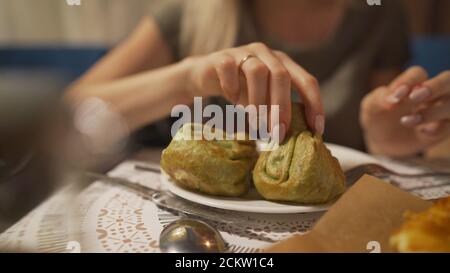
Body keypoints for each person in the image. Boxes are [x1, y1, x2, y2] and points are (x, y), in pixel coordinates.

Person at [66, 0, 450, 157]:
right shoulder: (190, 13)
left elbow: (391, 128)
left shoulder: (378, 15)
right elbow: (65, 118)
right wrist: (189, 79)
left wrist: (388, 138)